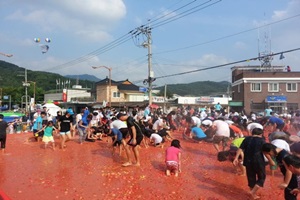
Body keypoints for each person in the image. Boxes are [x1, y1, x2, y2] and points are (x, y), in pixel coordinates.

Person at [233, 128, 266, 200]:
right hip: (258, 161)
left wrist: (236, 158)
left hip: (248, 161)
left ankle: (252, 195)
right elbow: (266, 152)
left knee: (251, 177)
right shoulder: (262, 141)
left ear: (252, 133)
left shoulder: (247, 139)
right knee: (262, 177)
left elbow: (240, 148)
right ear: (261, 134)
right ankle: (252, 192)